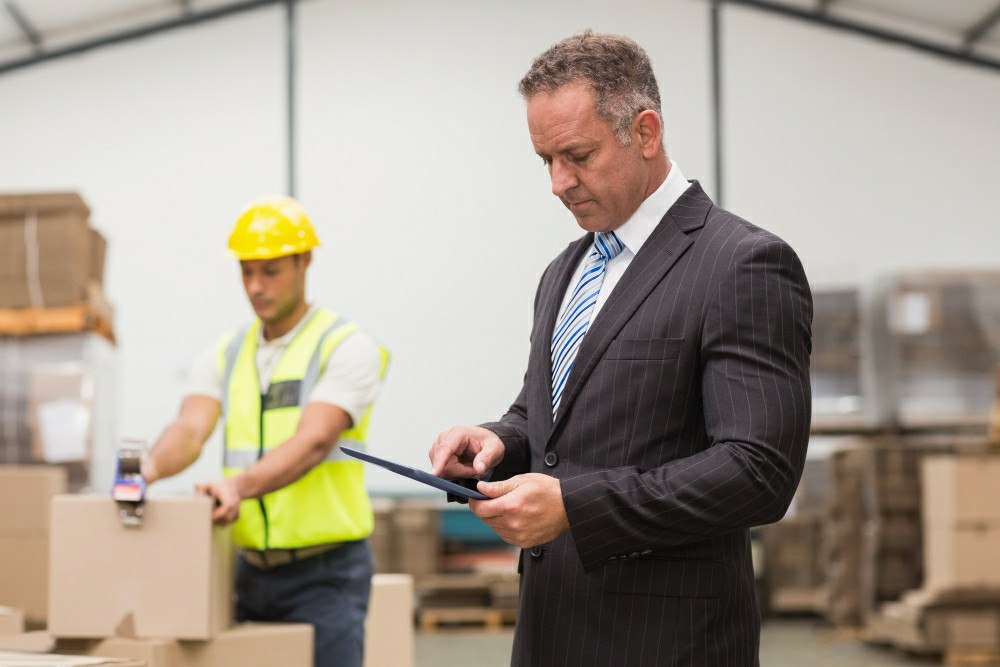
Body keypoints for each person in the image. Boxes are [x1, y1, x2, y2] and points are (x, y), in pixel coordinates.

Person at [429, 30, 812, 666]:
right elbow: (547, 417)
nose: (558, 182)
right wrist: (498, 442)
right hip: (552, 630)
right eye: (544, 160)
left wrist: (576, 507)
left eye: (577, 155)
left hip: (662, 642)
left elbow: (758, 472)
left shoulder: (741, 264)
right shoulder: (565, 269)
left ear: (646, 132)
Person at [142, 195, 388, 667]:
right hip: (246, 570)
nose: (256, 286)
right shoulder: (226, 352)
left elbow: (314, 441)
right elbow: (190, 428)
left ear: (305, 261)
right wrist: (146, 470)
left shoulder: (346, 346)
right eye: (246, 271)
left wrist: (237, 486)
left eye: (271, 270)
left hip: (325, 575)